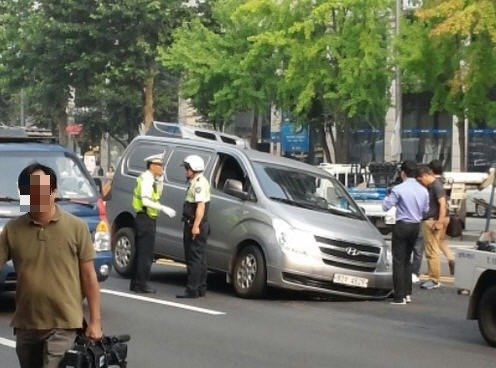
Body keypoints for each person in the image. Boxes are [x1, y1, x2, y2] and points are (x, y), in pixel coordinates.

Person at [0, 163, 102, 368]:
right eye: (29, 191)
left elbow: (89, 277)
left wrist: (95, 322)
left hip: (63, 324)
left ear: (54, 191)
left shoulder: (76, 227)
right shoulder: (13, 230)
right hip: (26, 325)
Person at [383, 160, 429, 305]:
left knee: (398, 260)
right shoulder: (423, 190)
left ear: (403, 173)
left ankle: (399, 296)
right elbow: (425, 210)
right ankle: (407, 293)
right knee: (407, 259)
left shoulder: (398, 189)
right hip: (416, 226)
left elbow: (385, 206)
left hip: (402, 225)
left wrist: (388, 196)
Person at [131, 154, 176, 293]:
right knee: (145, 253)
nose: (162, 168)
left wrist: (161, 180)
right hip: (145, 218)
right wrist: (163, 208)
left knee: (142, 252)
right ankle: (141, 284)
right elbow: (146, 201)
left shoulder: (151, 179)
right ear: (152, 166)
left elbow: (157, 194)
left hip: (146, 218)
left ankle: (137, 283)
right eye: (160, 166)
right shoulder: (146, 179)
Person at [177, 155, 211, 299]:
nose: (186, 171)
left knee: (194, 258)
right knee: (200, 257)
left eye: (187, 168)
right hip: (198, 224)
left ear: (194, 169)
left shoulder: (198, 184)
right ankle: (200, 288)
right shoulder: (199, 181)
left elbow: (200, 206)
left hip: (195, 224)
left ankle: (192, 289)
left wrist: (195, 226)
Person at [416, 164, 448, 290]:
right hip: (430, 220)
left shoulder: (436, 185)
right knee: (431, 250)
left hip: (432, 221)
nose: (420, 182)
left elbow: (443, 204)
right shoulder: (432, 185)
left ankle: (434, 279)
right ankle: (433, 276)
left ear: (426, 175)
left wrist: (439, 221)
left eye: (420, 179)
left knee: (431, 251)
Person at [429, 159, 455, 275]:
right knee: (441, 241)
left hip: (436, 217)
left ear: (430, 170)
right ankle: (451, 259)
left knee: (433, 245)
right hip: (447, 216)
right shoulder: (446, 181)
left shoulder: (433, 183)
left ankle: (434, 272)